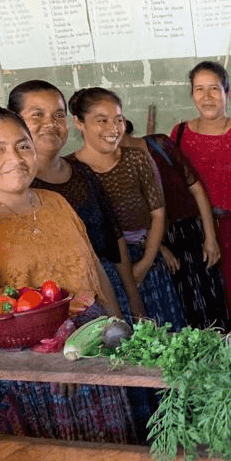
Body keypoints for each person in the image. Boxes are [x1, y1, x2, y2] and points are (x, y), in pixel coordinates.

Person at [0, 106, 154, 461]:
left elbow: (91, 269)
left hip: (89, 352)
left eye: (22, 146)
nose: (15, 158)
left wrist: (117, 318)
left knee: (105, 449)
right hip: (24, 370)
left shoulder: (58, 204)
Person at [6, 80, 145, 321]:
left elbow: (114, 238)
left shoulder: (82, 174)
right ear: (13, 122)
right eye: (37, 115)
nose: (50, 123)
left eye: (59, 115)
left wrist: (133, 298)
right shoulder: (11, 186)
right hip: (44, 307)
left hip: (106, 295)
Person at [69, 87, 185, 329]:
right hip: (103, 273)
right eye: (102, 121)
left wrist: (145, 263)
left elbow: (158, 213)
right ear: (79, 123)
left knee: (165, 336)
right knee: (122, 342)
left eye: (119, 120)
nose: (113, 129)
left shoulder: (136, 159)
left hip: (147, 260)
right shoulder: (72, 170)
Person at [172, 61, 231, 328]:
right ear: (191, 94)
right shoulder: (180, 134)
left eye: (214, 88)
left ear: (228, 93)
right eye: (199, 89)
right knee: (205, 310)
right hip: (195, 237)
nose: (206, 97)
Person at [121, 126, 228, 330]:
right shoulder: (116, 165)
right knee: (181, 310)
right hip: (157, 243)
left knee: (210, 303)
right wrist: (159, 248)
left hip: (192, 234)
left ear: (123, 123)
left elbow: (196, 190)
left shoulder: (159, 144)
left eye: (115, 121)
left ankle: (218, 353)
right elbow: (129, 223)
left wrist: (210, 237)